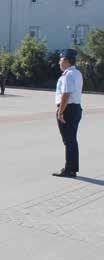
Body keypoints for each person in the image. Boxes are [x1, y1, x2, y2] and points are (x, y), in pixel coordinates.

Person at [52, 49, 83, 178]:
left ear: (65, 60)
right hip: (75, 108)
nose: (59, 62)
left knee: (68, 140)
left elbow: (66, 94)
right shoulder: (77, 73)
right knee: (72, 140)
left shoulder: (68, 74)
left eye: (60, 60)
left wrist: (60, 111)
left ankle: (69, 169)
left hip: (67, 109)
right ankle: (72, 168)